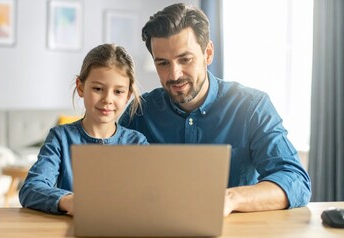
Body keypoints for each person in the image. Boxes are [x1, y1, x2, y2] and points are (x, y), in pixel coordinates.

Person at [119, 3, 311, 216]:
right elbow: (109, 176)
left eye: (185, 59)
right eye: (163, 63)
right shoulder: (140, 112)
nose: (174, 74)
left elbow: (296, 181)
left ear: (208, 53)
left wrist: (230, 198)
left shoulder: (252, 107)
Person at [19, 43, 148, 215]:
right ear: (80, 87)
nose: (107, 99)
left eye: (118, 91)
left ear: (128, 96)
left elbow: (151, 195)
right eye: (97, 89)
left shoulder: (137, 143)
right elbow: (31, 189)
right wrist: (69, 202)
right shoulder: (60, 137)